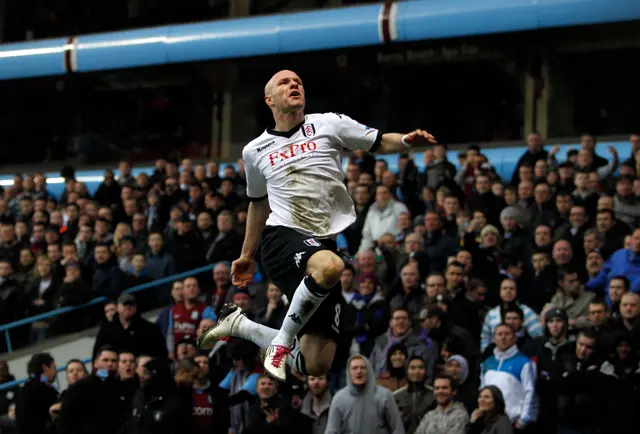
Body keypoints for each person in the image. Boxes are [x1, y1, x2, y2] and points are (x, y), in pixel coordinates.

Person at [198, 69, 437, 381]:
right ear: (270, 99)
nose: (294, 84)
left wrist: (406, 140)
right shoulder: (254, 151)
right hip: (281, 238)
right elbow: (258, 204)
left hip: (322, 243)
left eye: (298, 81)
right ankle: (281, 344)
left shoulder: (328, 123)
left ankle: (241, 325)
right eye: (285, 82)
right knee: (329, 267)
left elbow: (379, 142)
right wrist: (246, 255)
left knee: (316, 364)